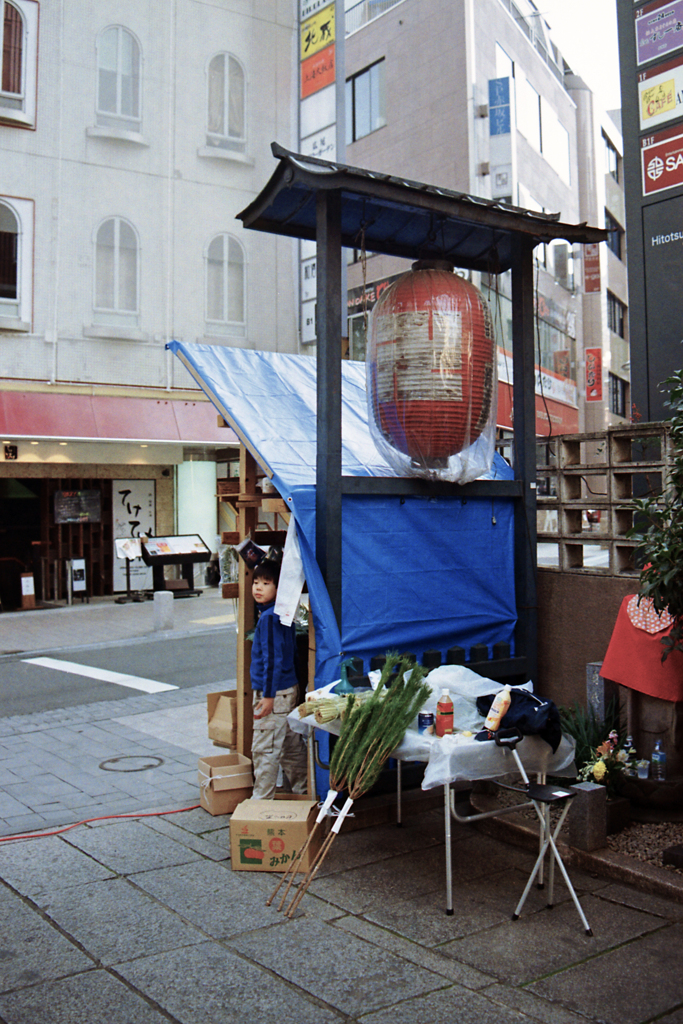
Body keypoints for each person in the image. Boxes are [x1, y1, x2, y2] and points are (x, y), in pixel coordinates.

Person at [249, 558, 308, 799]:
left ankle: (260, 803)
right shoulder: (280, 613)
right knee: (290, 746)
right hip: (287, 688)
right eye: (255, 582)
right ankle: (303, 794)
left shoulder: (269, 619)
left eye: (266, 583)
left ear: (279, 587)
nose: (258, 587)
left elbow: (272, 659)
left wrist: (269, 695)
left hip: (273, 692)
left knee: (265, 749)